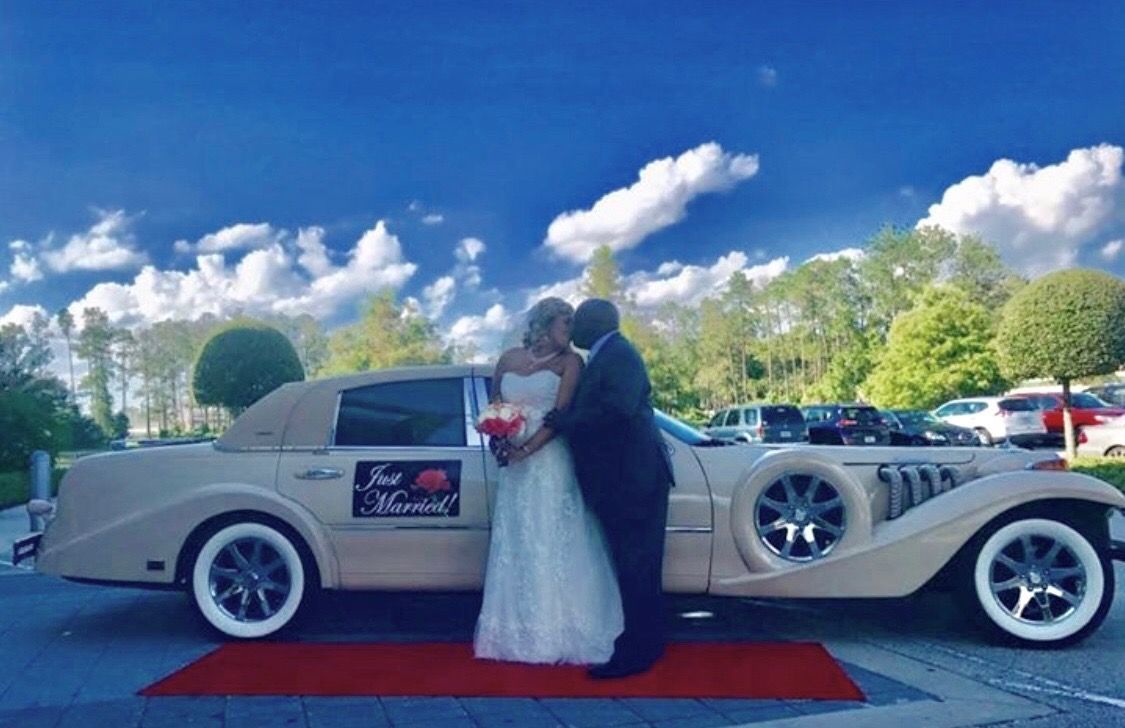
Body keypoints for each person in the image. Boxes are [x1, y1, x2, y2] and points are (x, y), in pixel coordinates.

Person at [473, 297, 623, 664]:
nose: (571, 330)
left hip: (550, 462)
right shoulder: (508, 359)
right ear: (544, 324)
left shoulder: (571, 363)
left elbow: (560, 417)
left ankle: (559, 631)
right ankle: (517, 631)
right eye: (565, 323)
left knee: (552, 539)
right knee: (518, 542)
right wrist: (499, 441)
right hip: (513, 467)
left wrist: (525, 450)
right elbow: (495, 408)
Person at [545, 298, 674, 679]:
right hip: (625, 479)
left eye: (578, 322)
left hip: (632, 480)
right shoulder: (609, 354)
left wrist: (566, 421)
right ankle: (648, 642)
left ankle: (636, 653)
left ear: (596, 323)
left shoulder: (618, 354)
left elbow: (618, 408)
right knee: (635, 566)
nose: (573, 330)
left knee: (637, 567)